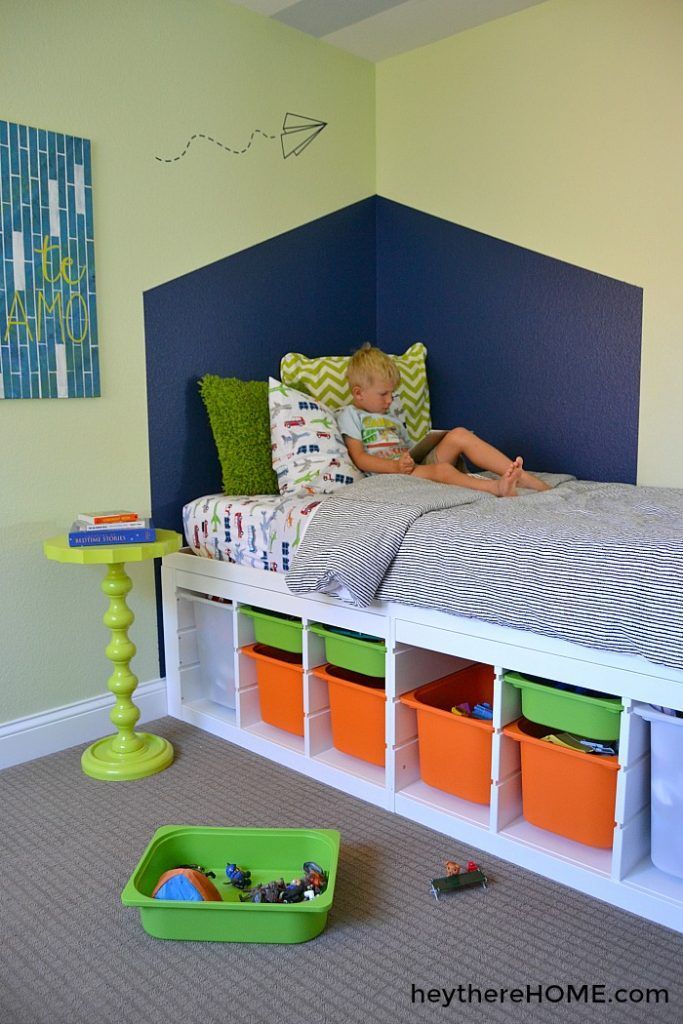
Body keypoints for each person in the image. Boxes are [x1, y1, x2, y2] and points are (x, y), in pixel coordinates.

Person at [335, 344, 550, 498]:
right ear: (358, 393)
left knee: (459, 435)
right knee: (443, 470)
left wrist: (419, 449)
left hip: (410, 466)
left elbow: (409, 450)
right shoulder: (350, 415)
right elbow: (360, 458)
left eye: (392, 393)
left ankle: (524, 478)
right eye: (383, 394)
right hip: (390, 475)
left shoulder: (391, 416)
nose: (390, 400)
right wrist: (395, 466)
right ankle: (497, 488)